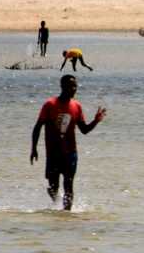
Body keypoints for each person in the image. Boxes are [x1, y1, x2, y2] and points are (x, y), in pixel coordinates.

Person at [30, 74, 106, 210]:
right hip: (53, 153)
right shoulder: (50, 105)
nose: (74, 88)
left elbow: (84, 130)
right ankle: (58, 203)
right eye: (71, 86)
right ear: (62, 86)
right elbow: (38, 127)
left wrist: (96, 120)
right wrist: (34, 148)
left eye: (75, 86)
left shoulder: (76, 106)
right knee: (53, 187)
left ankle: (67, 214)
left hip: (70, 153)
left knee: (69, 184)